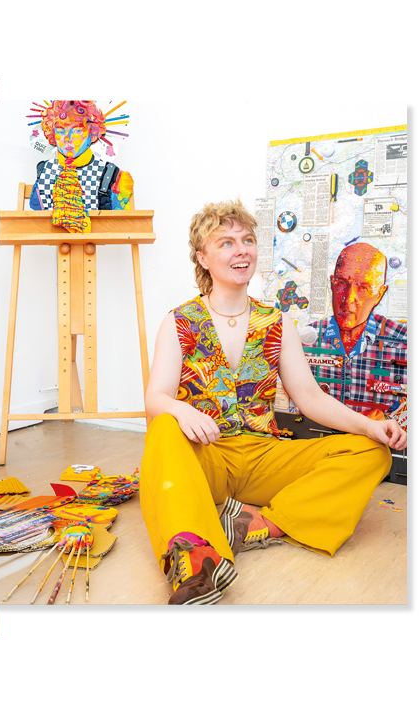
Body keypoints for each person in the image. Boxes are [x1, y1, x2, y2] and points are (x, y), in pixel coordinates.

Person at [139, 199, 406, 605]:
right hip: (205, 456)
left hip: (264, 455)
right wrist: (180, 409)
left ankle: (258, 523)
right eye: (226, 242)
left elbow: (310, 398)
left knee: (373, 452)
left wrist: (371, 426)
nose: (241, 249)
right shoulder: (179, 322)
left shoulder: (277, 322)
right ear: (203, 257)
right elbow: (156, 397)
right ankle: (196, 561)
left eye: (247, 240)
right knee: (162, 428)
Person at [305, 243, 407, 421]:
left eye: (363, 288)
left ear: (380, 294)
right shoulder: (304, 340)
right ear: (331, 284)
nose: (348, 299)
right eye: (342, 284)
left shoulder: (402, 343)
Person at [29, 100, 134, 231]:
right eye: (60, 131)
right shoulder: (44, 170)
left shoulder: (111, 174)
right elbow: (35, 213)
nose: (67, 138)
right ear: (52, 135)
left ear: (93, 134)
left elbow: (119, 224)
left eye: (77, 130)